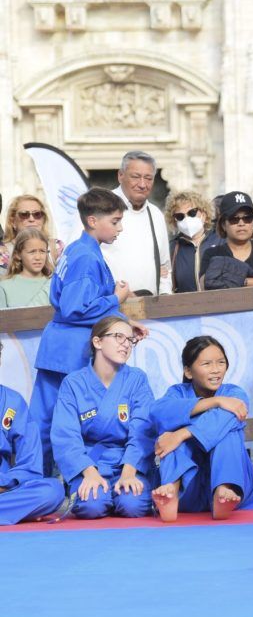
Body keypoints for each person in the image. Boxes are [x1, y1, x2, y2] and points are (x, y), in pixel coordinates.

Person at [27, 188, 146, 476]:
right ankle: (38, 483)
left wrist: (122, 320)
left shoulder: (77, 250)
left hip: (60, 346)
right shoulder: (86, 257)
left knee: (45, 421)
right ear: (93, 221)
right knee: (51, 423)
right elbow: (74, 308)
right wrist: (115, 300)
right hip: (70, 351)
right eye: (115, 221)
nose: (120, 228)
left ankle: (38, 480)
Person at [50, 316, 157, 519]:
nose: (126, 344)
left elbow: (144, 431)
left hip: (127, 462)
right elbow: (65, 436)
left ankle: (123, 487)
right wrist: (89, 473)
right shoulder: (73, 383)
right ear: (97, 342)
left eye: (129, 339)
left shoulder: (137, 379)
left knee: (132, 505)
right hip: (89, 463)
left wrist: (129, 473)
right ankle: (96, 488)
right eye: (118, 337)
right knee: (92, 506)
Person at [150, 335, 253, 521]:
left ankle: (224, 489)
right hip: (189, 488)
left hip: (234, 488)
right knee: (169, 434)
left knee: (227, 432)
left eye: (221, 362)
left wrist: (182, 434)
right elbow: (159, 413)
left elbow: (230, 415)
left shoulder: (234, 393)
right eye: (207, 364)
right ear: (188, 371)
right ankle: (171, 491)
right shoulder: (177, 393)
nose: (216, 370)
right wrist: (215, 401)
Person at [0, 340, 65, 525]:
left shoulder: (13, 402)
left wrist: (4, 483)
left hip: (3, 487)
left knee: (52, 491)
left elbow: (30, 464)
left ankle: (13, 510)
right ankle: (16, 512)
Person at [100, 151, 172, 296]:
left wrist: (165, 296)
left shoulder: (156, 214)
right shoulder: (98, 207)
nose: (142, 184)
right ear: (120, 175)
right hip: (109, 306)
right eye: (135, 177)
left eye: (148, 178)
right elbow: (78, 258)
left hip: (150, 307)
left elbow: (164, 267)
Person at [199, 191, 253, 290]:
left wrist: (242, 281)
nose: (241, 223)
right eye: (234, 219)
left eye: (247, 218)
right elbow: (206, 285)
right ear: (223, 225)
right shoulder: (212, 254)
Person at [165, 190, 220, 293]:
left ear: (204, 213)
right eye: (180, 216)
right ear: (174, 221)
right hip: (186, 307)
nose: (186, 219)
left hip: (220, 304)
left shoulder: (220, 241)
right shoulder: (172, 248)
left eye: (192, 213)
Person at [1, 194, 65, 274]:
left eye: (37, 214)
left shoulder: (56, 248)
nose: (31, 219)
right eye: (24, 214)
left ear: (43, 219)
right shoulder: (2, 251)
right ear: (12, 221)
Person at [0, 228, 52, 308]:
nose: (38, 257)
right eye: (32, 252)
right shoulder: (4, 287)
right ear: (18, 255)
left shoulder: (53, 284)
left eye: (42, 251)